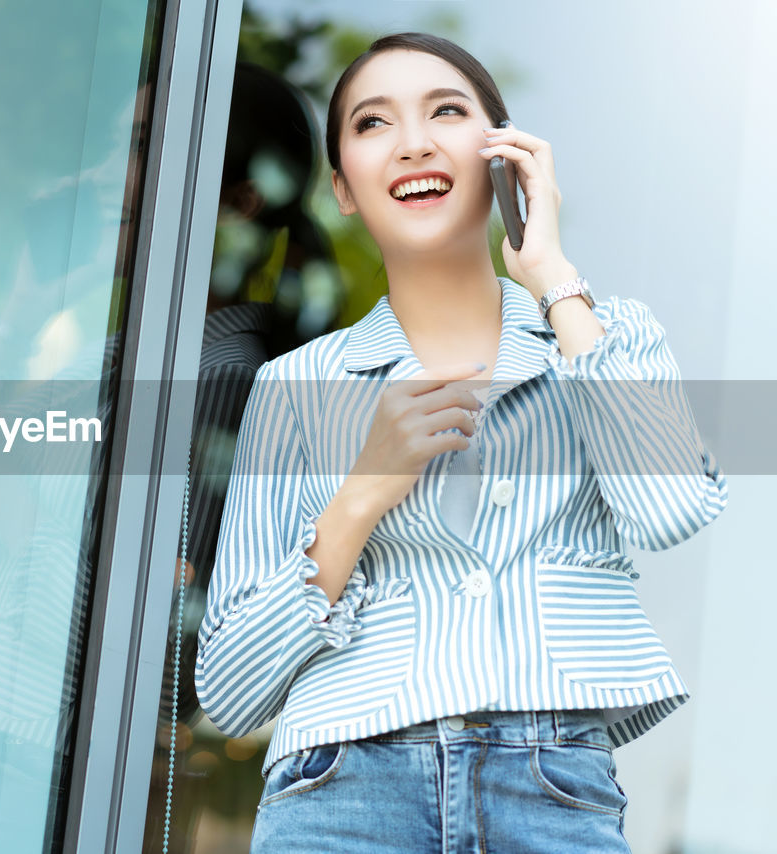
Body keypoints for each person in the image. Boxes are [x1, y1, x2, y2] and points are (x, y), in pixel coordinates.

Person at [194, 32, 728, 852]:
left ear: (504, 157)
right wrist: (364, 491)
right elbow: (230, 689)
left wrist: (552, 277)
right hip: (339, 792)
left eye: (446, 111)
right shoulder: (295, 388)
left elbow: (670, 507)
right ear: (342, 187)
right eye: (373, 124)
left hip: (552, 790)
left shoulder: (601, 338)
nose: (412, 141)